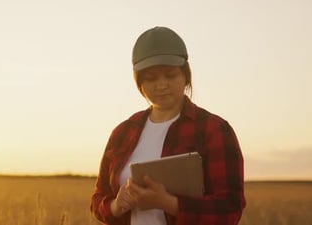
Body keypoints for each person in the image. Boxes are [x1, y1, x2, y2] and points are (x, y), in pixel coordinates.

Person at [90, 26, 246, 225]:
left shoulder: (213, 130)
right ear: (139, 82)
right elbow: (98, 199)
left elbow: (230, 210)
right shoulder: (123, 132)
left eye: (170, 75)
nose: (161, 85)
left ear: (185, 75)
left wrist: (169, 203)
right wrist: (116, 205)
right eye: (151, 78)